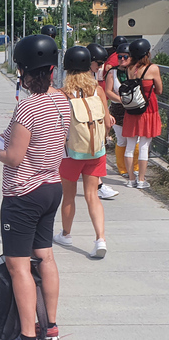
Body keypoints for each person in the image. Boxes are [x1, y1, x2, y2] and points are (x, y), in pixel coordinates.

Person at [0, 34, 69, 340]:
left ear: (24, 73)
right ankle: (50, 324)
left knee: (18, 266)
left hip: (23, 194)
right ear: (52, 70)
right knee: (45, 257)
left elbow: (13, 157)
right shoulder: (61, 101)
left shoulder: (27, 106)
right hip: (51, 187)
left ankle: (27, 339)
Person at [54, 46, 112, 259]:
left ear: (67, 69)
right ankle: (100, 239)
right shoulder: (97, 90)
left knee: (69, 196)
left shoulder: (63, 94)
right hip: (96, 151)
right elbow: (106, 123)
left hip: (71, 153)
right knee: (92, 196)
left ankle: (66, 234)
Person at [122, 38, 163, 189]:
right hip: (148, 108)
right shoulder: (153, 68)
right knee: (144, 145)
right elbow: (159, 90)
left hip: (132, 109)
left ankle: (131, 179)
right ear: (147, 52)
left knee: (130, 145)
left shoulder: (129, 68)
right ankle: (141, 180)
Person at [86, 43, 119, 200]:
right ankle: (98, 186)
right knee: (96, 156)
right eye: (98, 64)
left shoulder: (85, 77)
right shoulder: (89, 81)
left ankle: (98, 185)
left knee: (91, 158)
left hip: (89, 120)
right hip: (91, 122)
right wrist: (106, 117)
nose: (100, 67)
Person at [105, 43, 140, 178]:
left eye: (125, 57)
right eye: (120, 57)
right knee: (122, 140)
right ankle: (123, 169)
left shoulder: (135, 71)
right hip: (118, 109)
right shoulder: (112, 72)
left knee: (135, 139)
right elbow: (108, 91)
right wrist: (122, 99)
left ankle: (135, 167)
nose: (122, 59)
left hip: (133, 109)